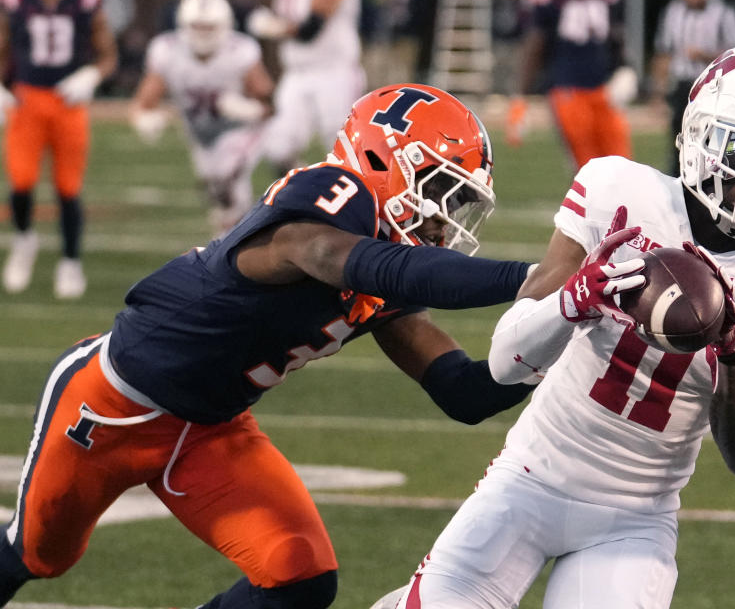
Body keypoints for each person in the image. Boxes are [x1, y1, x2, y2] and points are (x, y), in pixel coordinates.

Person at [0, 83, 536, 609]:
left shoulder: (386, 267)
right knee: (36, 554)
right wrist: (536, 278)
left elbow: (464, 392)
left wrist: (564, 325)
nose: (445, 216)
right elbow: (341, 258)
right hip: (111, 406)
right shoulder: (330, 197)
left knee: (299, 575)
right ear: (383, 159)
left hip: (211, 430)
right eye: (442, 190)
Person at [374, 42, 735, 608]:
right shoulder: (618, 192)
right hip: (528, 477)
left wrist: (734, 352)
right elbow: (505, 362)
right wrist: (573, 301)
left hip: (633, 519)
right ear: (702, 136)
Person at [0, 0, 117, 299]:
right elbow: (3, 45)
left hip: (68, 102)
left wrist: (92, 75)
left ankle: (70, 260)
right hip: (26, 99)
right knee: (20, 182)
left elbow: (108, 55)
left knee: (68, 187)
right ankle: (24, 240)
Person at [130, 0, 275, 235]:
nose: (203, 34)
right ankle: (237, 242)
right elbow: (144, 101)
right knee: (217, 194)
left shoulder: (240, 51)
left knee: (227, 179)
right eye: (197, 27)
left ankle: (235, 249)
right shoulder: (167, 50)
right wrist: (144, 118)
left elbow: (270, 104)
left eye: (209, 27)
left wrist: (246, 109)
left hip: (237, 129)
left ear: (225, 25)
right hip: (198, 133)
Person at [506, 0, 634, 170]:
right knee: (588, 168)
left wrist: (624, 67)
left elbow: (616, 36)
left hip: (603, 89)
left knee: (622, 163)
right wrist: (520, 97)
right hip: (568, 91)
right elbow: (534, 47)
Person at [246, 0, 366, 176]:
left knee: (348, 150)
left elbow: (311, 27)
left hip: (334, 71)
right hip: (296, 72)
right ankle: (307, 196)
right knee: (278, 148)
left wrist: (273, 27)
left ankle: (361, 202)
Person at [650, 0, 735, 176]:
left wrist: (705, 56)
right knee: (680, 138)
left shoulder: (722, 13)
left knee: (714, 138)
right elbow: (664, 52)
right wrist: (658, 92)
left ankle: (715, 178)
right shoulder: (673, 11)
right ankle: (680, 180)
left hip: (714, 86)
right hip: (684, 85)